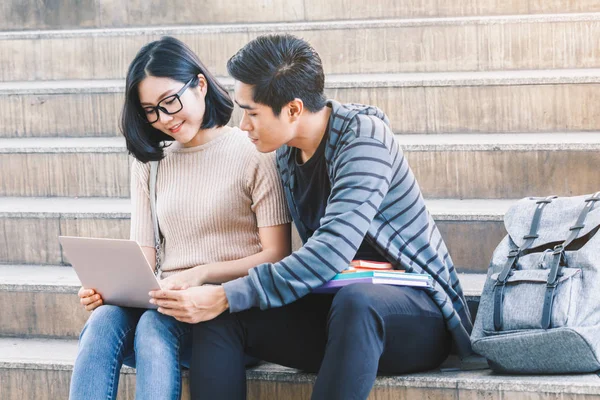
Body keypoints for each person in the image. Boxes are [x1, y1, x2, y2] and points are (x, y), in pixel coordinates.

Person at [150, 33, 473, 400]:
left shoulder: (366, 139)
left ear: (292, 109)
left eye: (252, 112)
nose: (243, 125)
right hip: (339, 315)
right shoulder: (288, 155)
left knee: (356, 301)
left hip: (416, 318)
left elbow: (329, 252)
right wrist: (212, 288)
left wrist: (226, 293)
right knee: (222, 317)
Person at [69, 36, 291, 400]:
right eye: (150, 110)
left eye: (170, 102)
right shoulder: (150, 162)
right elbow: (144, 255)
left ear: (200, 85)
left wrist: (200, 274)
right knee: (103, 320)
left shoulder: (252, 152)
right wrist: (106, 289)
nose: (164, 119)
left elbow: (277, 254)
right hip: (169, 301)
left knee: (155, 326)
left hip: (230, 314)